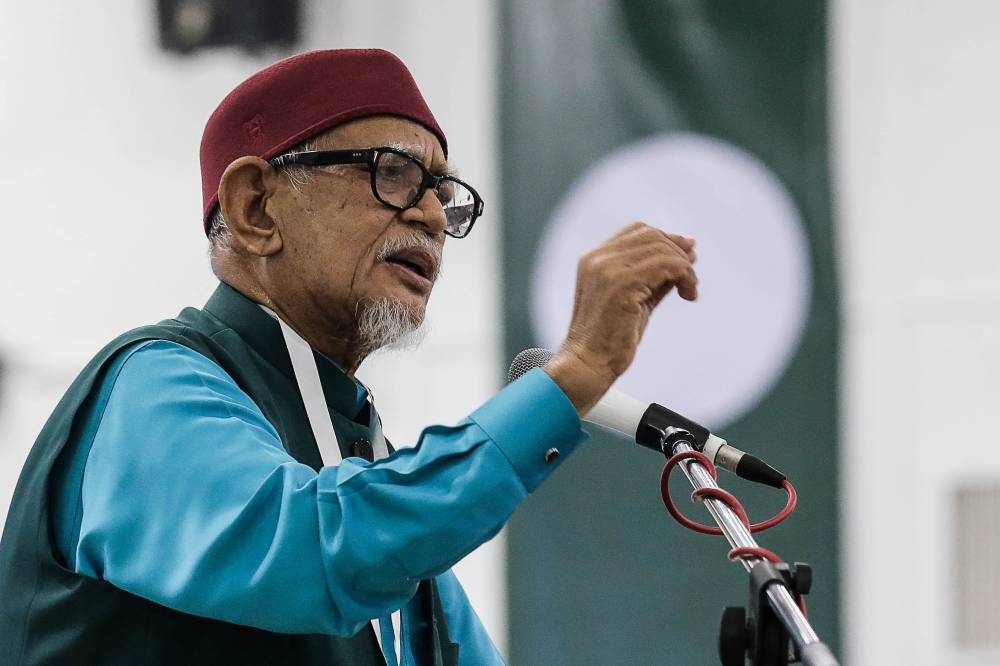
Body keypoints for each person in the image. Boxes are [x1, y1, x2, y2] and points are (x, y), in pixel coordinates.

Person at [0, 49, 698, 665]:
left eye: (444, 195)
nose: (432, 217)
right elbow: (316, 549)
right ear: (255, 209)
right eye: (393, 174)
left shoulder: (363, 463)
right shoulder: (151, 386)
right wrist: (570, 378)